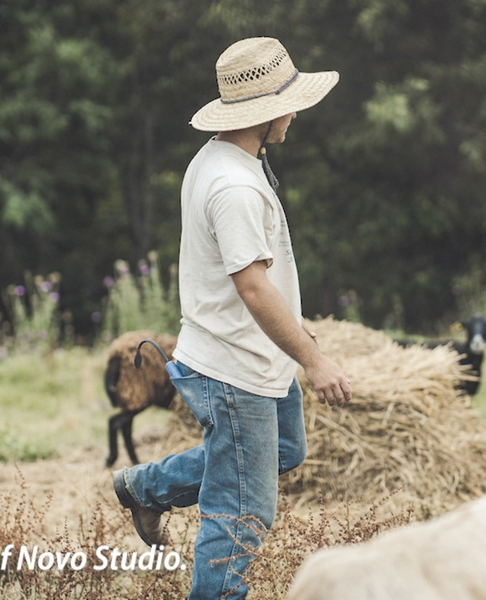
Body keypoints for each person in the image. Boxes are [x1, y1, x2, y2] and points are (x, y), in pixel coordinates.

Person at [112, 37, 352, 600]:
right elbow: (251, 286)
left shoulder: (229, 157)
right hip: (234, 367)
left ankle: (147, 488)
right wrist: (314, 359)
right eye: (289, 102)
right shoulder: (234, 184)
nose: (295, 112)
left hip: (256, 353)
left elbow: (255, 278)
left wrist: (295, 333)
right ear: (265, 112)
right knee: (241, 511)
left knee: (285, 450)